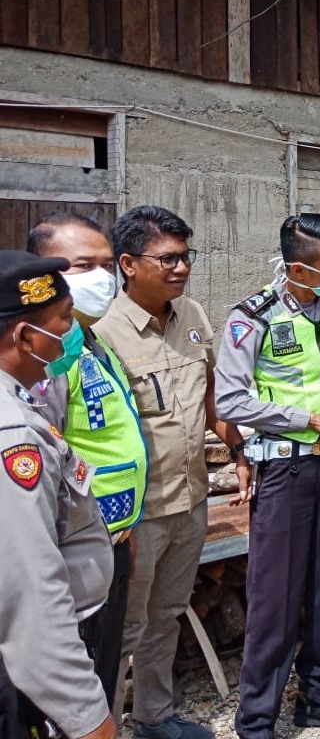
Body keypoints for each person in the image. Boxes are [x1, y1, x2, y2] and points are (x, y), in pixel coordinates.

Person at [215, 215, 320, 737]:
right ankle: (256, 720)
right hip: (283, 468)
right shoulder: (251, 318)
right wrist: (308, 420)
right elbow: (232, 399)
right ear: (298, 269)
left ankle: (317, 698)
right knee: (275, 599)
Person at [93, 207, 241, 739]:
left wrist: (241, 454)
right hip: (136, 515)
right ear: (129, 264)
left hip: (190, 500)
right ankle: (102, 727)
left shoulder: (193, 316)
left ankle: (153, 718)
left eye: (186, 257)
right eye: (168, 259)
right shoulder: (103, 336)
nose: (181, 269)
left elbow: (212, 399)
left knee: (167, 615)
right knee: (121, 628)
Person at [27, 214, 150, 711]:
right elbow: (42, 461)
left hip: (110, 541)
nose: (101, 278)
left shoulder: (89, 342)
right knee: (69, 693)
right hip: (69, 553)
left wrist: (126, 527)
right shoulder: (46, 359)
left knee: (102, 672)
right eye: (82, 265)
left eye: (105, 264)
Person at [0, 250, 116, 739]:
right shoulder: (13, 434)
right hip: (18, 677)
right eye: (65, 321)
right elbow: (30, 588)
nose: (74, 333)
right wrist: (87, 717)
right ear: (27, 337)